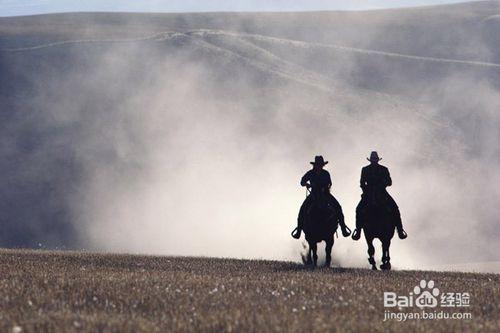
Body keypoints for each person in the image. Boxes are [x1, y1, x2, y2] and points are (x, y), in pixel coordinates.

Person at [292, 155, 351, 239]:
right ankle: (299, 230)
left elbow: (330, 183)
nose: (319, 166)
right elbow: (302, 181)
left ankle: (343, 228)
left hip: (325, 194)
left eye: (321, 165)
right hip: (313, 195)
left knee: (338, 207)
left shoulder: (326, 173)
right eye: (318, 164)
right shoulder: (310, 173)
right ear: (315, 165)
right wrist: (307, 184)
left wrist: (325, 187)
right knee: (303, 209)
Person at [352, 151, 407, 240]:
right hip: (368, 193)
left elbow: (389, 182)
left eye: (375, 159)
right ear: (371, 160)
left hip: (382, 193)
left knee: (395, 208)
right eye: (373, 159)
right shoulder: (365, 169)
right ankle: (358, 230)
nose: (374, 161)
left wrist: (382, 185)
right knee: (359, 209)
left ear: (377, 160)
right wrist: (366, 191)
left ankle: (400, 230)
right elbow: (362, 182)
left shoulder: (384, 169)